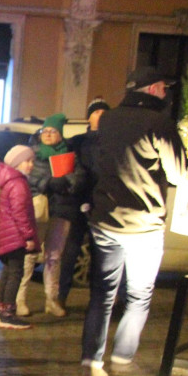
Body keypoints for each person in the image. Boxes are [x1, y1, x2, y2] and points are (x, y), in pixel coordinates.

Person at [80, 66, 188, 376]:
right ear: (152, 90)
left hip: (105, 220)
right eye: (164, 88)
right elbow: (179, 175)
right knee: (139, 294)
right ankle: (122, 359)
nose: (166, 94)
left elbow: (97, 162)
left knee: (103, 294)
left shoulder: (107, 119)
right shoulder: (159, 123)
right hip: (144, 224)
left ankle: (92, 362)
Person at [17, 113, 77, 318]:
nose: (48, 135)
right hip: (38, 209)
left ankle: (51, 300)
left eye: (53, 131)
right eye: (45, 131)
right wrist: (47, 183)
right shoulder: (32, 153)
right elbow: (25, 177)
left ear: (60, 134)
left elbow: (78, 176)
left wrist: (70, 181)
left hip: (61, 209)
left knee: (54, 256)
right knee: (30, 254)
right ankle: (19, 300)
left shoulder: (69, 153)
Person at [59, 97, 110, 306]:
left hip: (102, 203)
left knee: (101, 255)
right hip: (78, 202)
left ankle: (98, 301)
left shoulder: (113, 142)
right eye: (96, 112)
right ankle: (61, 296)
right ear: (89, 117)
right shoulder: (77, 141)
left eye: (104, 112)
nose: (100, 116)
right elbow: (63, 165)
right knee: (71, 250)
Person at [0, 144, 38, 329]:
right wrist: (28, 235)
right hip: (15, 236)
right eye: (27, 161)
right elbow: (20, 212)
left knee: (8, 272)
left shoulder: (10, 182)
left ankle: (2, 311)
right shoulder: (19, 184)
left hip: (8, 235)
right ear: (18, 163)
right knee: (15, 273)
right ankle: (8, 314)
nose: (31, 165)